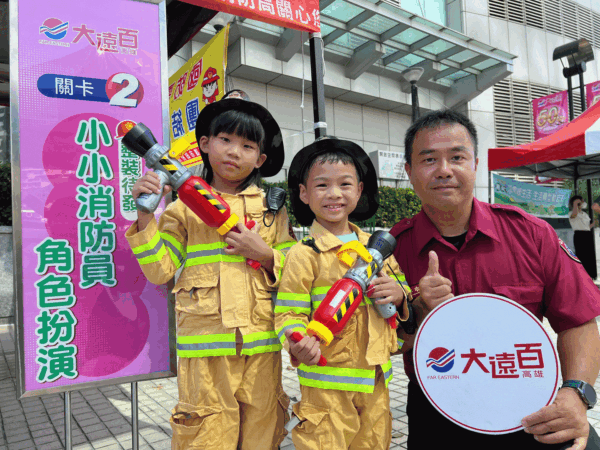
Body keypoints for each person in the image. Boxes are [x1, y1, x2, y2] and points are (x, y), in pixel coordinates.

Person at [390, 109, 600, 449]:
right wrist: (418, 313)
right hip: (436, 408)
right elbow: (377, 342)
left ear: (474, 164)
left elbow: (578, 321)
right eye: (429, 160)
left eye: (457, 157)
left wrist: (576, 394)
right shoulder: (390, 250)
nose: (444, 171)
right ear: (410, 173)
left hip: (528, 402)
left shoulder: (531, 235)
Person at [125, 96, 296, 450]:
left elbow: (296, 270)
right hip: (205, 351)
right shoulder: (181, 210)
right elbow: (160, 270)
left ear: (260, 159)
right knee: (206, 435)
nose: (234, 152)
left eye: (247, 146)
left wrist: (265, 255)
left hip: (261, 346)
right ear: (205, 144)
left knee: (262, 431)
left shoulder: (271, 209)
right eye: (225, 140)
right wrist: (145, 217)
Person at [274, 137, 411, 450]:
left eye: (345, 184)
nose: (334, 194)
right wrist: (298, 341)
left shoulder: (377, 247)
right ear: (304, 194)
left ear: (359, 190)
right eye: (322, 185)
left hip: (376, 386)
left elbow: (401, 288)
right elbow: (288, 312)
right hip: (326, 394)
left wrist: (398, 294)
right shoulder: (304, 254)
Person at [569, 195, 597, 279]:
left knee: (590, 255)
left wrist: (594, 223)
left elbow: (587, 227)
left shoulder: (584, 214)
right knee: (581, 255)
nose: (583, 203)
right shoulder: (572, 213)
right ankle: (582, 275)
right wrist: (575, 204)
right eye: (581, 201)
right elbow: (573, 215)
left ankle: (591, 274)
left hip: (587, 235)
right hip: (579, 235)